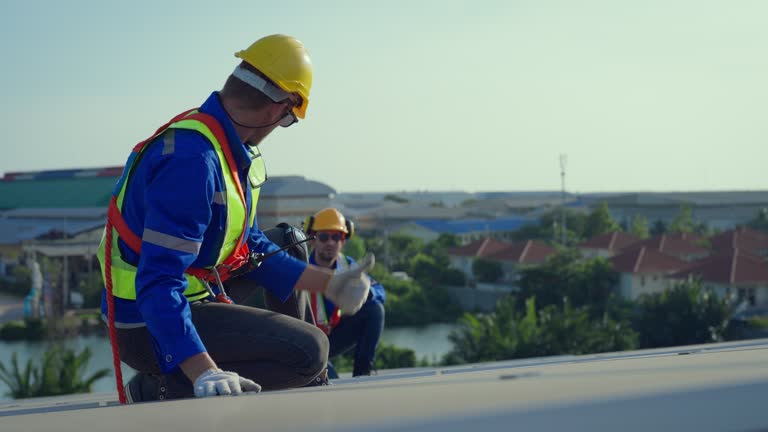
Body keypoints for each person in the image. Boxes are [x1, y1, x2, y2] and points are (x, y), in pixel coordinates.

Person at [97, 34, 375, 403]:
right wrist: (203, 370)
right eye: (289, 119)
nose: (282, 127)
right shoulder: (192, 162)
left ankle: (305, 378)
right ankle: (158, 387)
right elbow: (158, 282)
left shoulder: (230, 147)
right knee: (311, 351)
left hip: (192, 289)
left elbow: (251, 246)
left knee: (287, 240)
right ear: (278, 109)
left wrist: (328, 283)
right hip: (145, 322)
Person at [304, 208, 386, 377]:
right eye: (324, 237)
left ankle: (363, 373)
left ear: (343, 241)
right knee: (329, 379)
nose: (331, 242)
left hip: (335, 336)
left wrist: (367, 294)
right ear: (312, 240)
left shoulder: (347, 265)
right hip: (308, 341)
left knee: (374, 310)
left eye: (337, 237)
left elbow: (380, 292)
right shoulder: (300, 268)